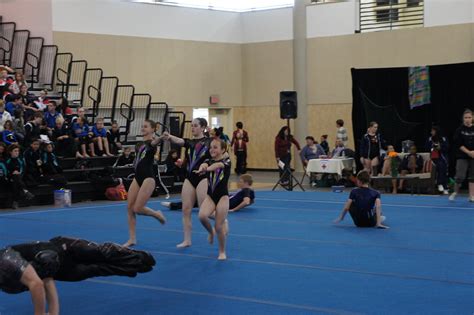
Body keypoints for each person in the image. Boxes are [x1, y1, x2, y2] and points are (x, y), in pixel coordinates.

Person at [1, 236, 157, 314]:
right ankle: (136, 266)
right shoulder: (7, 281)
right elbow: (46, 278)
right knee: (98, 269)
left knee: (100, 253)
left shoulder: (5, 261)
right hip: (58, 269)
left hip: (63, 249)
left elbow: (37, 284)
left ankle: (136, 255)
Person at [163, 118, 212, 248]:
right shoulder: (190, 142)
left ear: (203, 127)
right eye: (192, 126)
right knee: (186, 209)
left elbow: (214, 157)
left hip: (202, 177)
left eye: (195, 126)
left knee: (204, 210)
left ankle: (220, 223)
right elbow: (180, 141)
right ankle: (187, 240)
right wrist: (169, 137)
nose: (193, 128)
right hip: (189, 178)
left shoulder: (210, 142)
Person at [123, 120, 167, 247]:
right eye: (142, 126)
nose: (143, 128)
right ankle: (132, 239)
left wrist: (161, 138)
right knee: (130, 207)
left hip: (148, 178)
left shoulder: (152, 143)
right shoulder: (139, 144)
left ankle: (156, 214)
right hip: (138, 177)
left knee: (138, 208)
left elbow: (154, 142)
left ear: (153, 129)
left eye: (146, 126)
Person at [195, 138, 231, 260]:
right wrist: (202, 167)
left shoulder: (227, 161)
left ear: (223, 150)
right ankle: (211, 232)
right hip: (211, 197)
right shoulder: (208, 160)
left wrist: (208, 168)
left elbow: (218, 165)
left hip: (223, 197)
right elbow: (204, 164)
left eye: (215, 147)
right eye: (211, 147)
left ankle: (222, 251)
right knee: (202, 216)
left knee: (218, 226)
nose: (212, 149)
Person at [0, 248, 59, 315]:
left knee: (41, 277)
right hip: (9, 274)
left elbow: (39, 284)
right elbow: (38, 283)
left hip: (12, 273)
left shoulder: (8, 264)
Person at [450, 109, 474, 202]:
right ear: (463, 119)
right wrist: (468, 152)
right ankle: (455, 192)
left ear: (472, 118)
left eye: (469, 117)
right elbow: (458, 144)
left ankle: (471, 196)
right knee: (460, 176)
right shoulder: (459, 130)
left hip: (473, 156)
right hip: (462, 156)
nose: (467, 119)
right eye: (466, 118)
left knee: (473, 176)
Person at [6, 144, 35, 209]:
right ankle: (25, 191)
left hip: (19, 178)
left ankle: (15, 202)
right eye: (15, 151)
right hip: (9, 179)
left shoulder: (20, 160)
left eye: (18, 151)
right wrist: (11, 173)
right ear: (10, 152)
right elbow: (6, 171)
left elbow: (23, 170)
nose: (17, 153)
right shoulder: (7, 161)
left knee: (16, 180)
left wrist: (19, 173)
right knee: (15, 179)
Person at [425, 126, 449, 194]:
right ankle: (439, 184)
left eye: (433, 131)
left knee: (443, 167)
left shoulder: (443, 138)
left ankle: (445, 186)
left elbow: (447, 148)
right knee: (439, 166)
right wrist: (432, 146)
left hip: (442, 156)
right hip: (433, 157)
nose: (431, 132)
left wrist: (440, 147)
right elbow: (426, 148)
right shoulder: (430, 139)